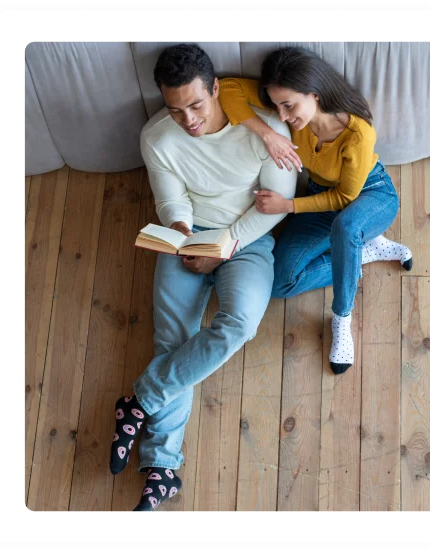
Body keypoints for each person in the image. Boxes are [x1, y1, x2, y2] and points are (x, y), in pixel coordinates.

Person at [108, 43, 296, 512]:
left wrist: (225, 248)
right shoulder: (157, 137)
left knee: (239, 323)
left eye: (196, 105)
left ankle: (140, 400)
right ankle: (162, 470)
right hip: (190, 240)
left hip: (249, 240)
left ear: (217, 89)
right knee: (172, 338)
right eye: (176, 111)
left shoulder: (267, 132)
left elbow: (272, 205)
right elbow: (172, 201)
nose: (189, 120)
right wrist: (182, 233)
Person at [218, 46, 413, 375]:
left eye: (288, 106)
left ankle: (342, 318)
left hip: (370, 196)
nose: (282, 116)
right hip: (320, 198)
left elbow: (344, 197)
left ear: (315, 94)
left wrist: (287, 206)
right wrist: (268, 135)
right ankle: (359, 255)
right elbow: (227, 89)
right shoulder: (290, 114)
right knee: (280, 282)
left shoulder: (357, 133)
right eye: (277, 107)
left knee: (347, 227)